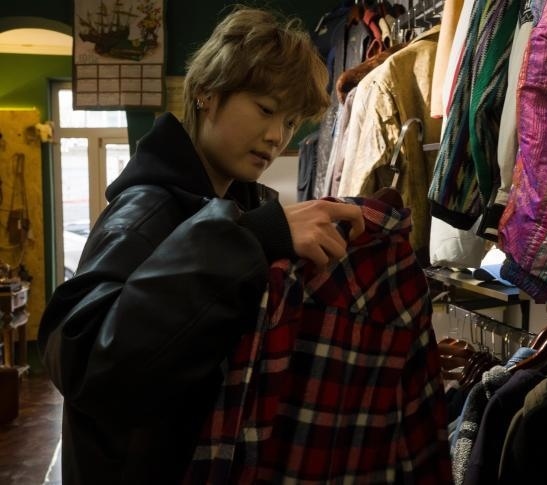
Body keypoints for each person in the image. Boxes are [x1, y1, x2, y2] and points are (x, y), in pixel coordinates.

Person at [37, 6, 364, 485]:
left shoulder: (236, 209)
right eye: (265, 109)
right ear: (207, 94)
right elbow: (81, 360)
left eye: (291, 122)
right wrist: (251, 239)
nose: (276, 136)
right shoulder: (145, 211)